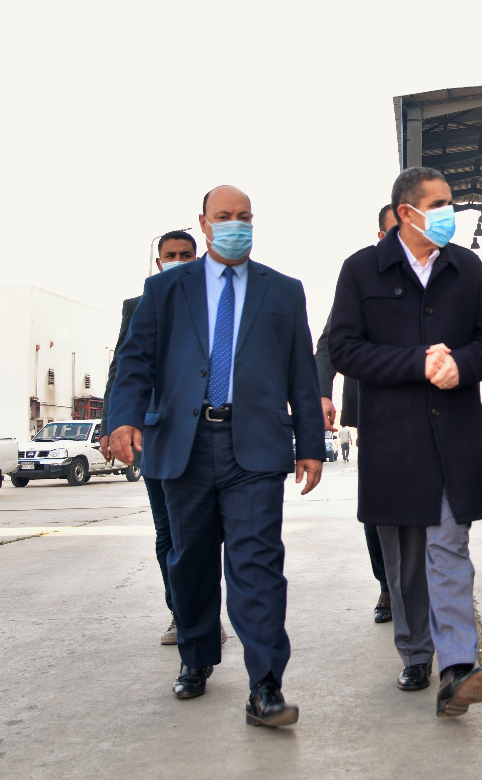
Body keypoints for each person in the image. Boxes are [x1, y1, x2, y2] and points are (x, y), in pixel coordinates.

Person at [108, 185, 325, 728]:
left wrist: (311, 446)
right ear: (203, 224)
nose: (235, 224)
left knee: (258, 564)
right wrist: (123, 418)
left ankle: (266, 686)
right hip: (184, 444)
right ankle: (196, 654)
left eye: (244, 216)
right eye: (224, 216)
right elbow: (135, 361)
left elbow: (301, 373)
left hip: (254, 446)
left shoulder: (283, 291)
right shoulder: (165, 290)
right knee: (191, 560)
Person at [329, 167, 482, 717]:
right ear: (407, 213)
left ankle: (457, 667)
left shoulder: (465, 267)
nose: (451, 212)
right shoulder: (361, 270)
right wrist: (416, 363)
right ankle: (415, 652)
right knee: (405, 558)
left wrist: (461, 366)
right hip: (395, 436)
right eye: (441, 203)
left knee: (449, 546)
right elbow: (344, 349)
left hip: (453, 431)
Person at [99, 230, 199, 646]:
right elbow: (121, 369)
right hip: (156, 434)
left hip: (206, 434)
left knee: (200, 535)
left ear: (198, 258)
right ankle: (181, 614)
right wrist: (111, 423)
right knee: (167, 532)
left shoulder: (214, 301)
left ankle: (202, 613)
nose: (177, 260)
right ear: (158, 262)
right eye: (170, 255)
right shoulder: (138, 305)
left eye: (185, 254)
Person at [315, 203, 397, 623]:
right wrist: (322, 393)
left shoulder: (442, 275)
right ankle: (387, 586)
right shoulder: (361, 277)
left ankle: (428, 585)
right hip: (374, 410)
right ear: (380, 237)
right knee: (379, 501)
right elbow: (330, 340)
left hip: (432, 410)